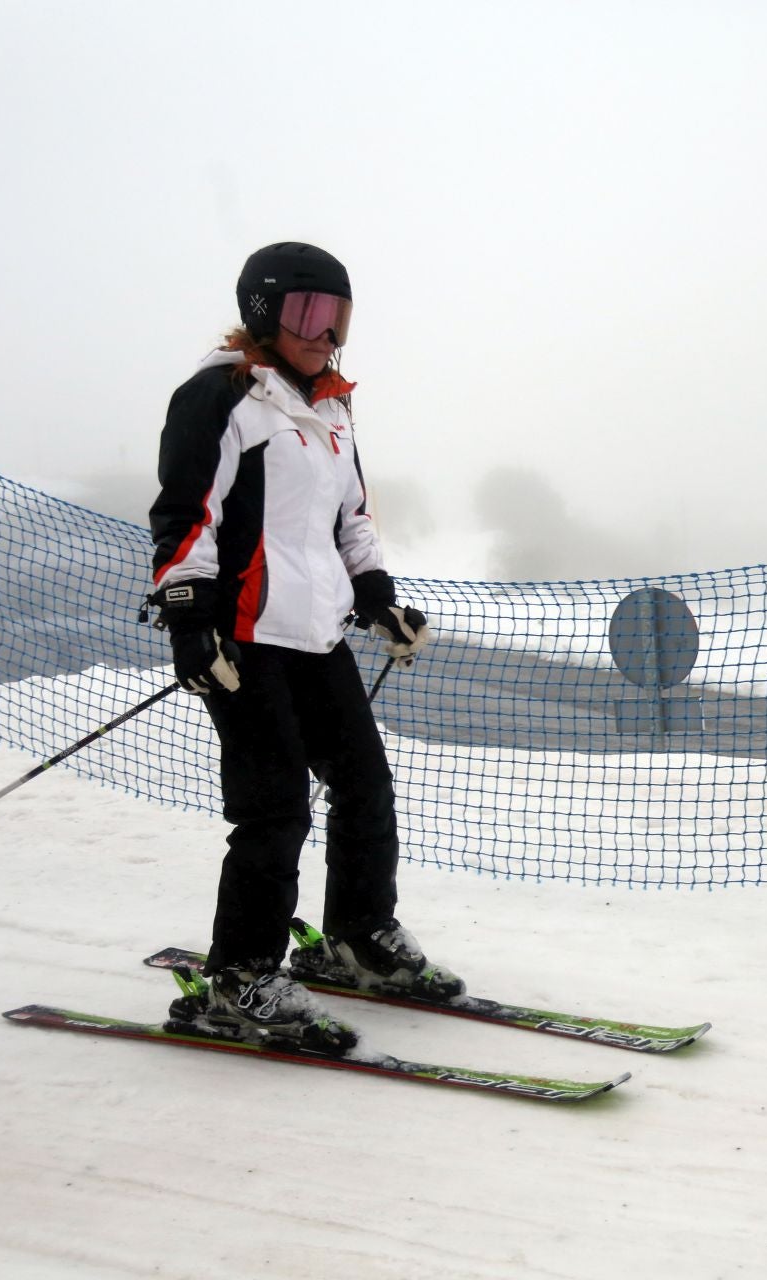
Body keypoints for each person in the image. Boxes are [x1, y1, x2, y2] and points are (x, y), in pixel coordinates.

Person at [148, 241, 463, 1054]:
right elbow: (187, 517)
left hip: (316, 637)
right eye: (308, 314)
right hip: (244, 641)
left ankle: (359, 937)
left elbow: (350, 517)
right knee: (275, 807)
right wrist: (190, 622)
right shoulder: (221, 399)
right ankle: (240, 979)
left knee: (364, 782)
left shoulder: (330, 407)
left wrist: (379, 599)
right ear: (263, 312)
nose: (326, 334)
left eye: (339, 317)